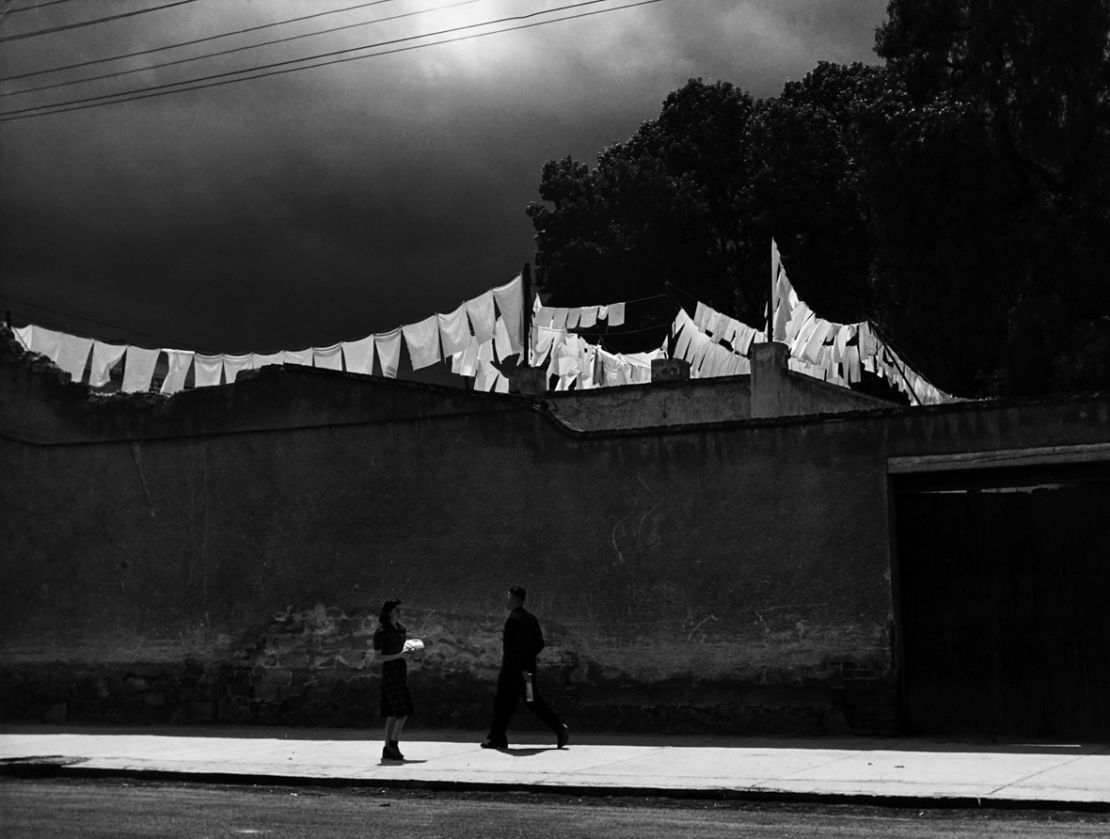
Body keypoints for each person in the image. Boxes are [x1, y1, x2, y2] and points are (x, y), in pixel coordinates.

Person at [481, 586, 569, 750]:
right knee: (529, 701)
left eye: (508, 597)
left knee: (504, 703)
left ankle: (498, 737)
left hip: (513, 672)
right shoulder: (530, 619)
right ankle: (498, 737)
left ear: (514, 598)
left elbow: (512, 649)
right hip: (526, 671)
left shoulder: (514, 620)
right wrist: (527, 661)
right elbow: (539, 643)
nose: (506, 600)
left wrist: (517, 664)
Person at [372, 598, 414, 761]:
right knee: (402, 712)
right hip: (390, 674)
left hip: (400, 672)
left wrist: (411, 655)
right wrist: (399, 656)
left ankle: (387, 747)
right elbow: (378, 657)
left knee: (392, 713)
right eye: (397, 610)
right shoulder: (382, 632)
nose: (400, 613)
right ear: (389, 613)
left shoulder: (401, 630)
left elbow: (403, 651)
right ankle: (394, 743)